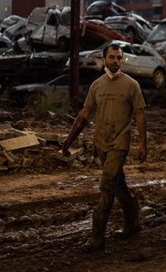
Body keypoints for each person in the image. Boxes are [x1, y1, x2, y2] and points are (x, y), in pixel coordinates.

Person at [61, 43, 147, 251]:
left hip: (119, 144)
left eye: (119, 58)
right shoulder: (97, 85)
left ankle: (97, 238)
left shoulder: (131, 85)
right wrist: (69, 140)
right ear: (104, 59)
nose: (116, 61)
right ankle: (133, 221)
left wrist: (143, 144)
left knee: (107, 186)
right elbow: (85, 113)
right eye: (112, 57)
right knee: (119, 186)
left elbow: (140, 115)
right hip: (101, 143)